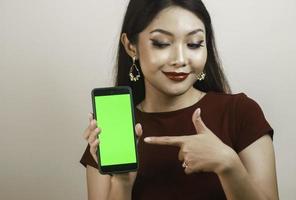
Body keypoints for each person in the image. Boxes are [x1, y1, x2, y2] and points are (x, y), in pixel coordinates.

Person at [80, 0, 279, 199]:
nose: (180, 59)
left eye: (194, 44)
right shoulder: (110, 131)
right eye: (162, 44)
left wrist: (229, 165)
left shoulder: (240, 113)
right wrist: (122, 182)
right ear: (131, 46)